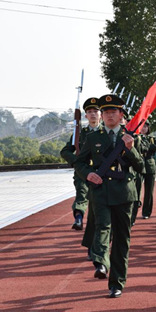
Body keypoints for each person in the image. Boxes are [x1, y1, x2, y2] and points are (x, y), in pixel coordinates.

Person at [74, 94, 144, 298]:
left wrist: (130, 149)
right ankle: (101, 263)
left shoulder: (131, 136)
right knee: (102, 228)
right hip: (101, 192)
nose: (109, 115)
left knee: (122, 240)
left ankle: (117, 283)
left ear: (122, 115)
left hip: (125, 194)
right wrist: (89, 174)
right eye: (105, 112)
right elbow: (79, 162)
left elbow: (141, 166)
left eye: (113, 111)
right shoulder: (93, 138)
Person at [61, 97, 102, 230]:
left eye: (95, 111)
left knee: (99, 198)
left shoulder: (106, 133)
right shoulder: (79, 134)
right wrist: (77, 162)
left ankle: (98, 221)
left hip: (101, 170)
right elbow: (65, 151)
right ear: (86, 116)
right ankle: (78, 218)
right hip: (83, 170)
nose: (93, 114)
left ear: (100, 114)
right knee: (81, 193)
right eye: (89, 112)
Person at [139, 121, 156, 219]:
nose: (144, 128)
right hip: (138, 165)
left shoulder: (152, 139)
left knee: (149, 191)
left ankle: (146, 212)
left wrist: (148, 146)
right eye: (142, 126)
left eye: (146, 127)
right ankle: (133, 212)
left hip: (150, 165)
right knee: (136, 190)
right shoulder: (136, 138)